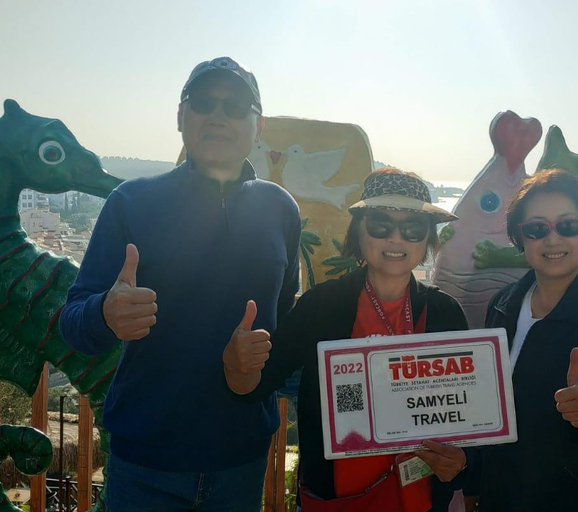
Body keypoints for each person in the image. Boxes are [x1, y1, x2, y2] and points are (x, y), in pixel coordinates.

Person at [59, 56, 301, 511]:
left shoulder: (281, 210)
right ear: (180, 116)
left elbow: (284, 330)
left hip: (241, 462)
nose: (218, 115)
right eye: (204, 102)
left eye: (235, 107)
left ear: (258, 125)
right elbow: (72, 325)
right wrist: (104, 314)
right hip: (143, 466)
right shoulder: (130, 202)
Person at [224, 168, 469, 511]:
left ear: (428, 239)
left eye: (413, 228)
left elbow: (468, 417)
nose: (396, 239)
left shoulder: (446, 313)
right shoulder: (321, 305)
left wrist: (460, 462)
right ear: (357, 232)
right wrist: (237, 364)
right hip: (335, 499)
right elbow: (253, 386)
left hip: (420, 500)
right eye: (380, 225)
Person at [463, 170, 578, 512]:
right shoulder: (502, 307)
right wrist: (474, 485)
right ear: (521, 238)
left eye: (567, 226)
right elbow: (487, 415)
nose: (552, 239)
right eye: (536, 228)